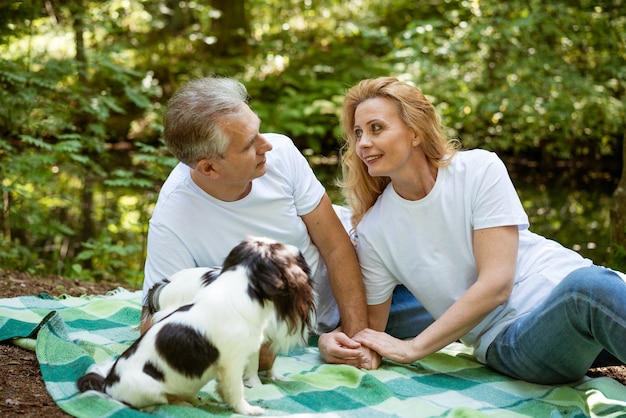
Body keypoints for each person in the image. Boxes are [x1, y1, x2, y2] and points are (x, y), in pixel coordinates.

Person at [337, 76, 626, 384]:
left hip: (589, 299)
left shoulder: (479, 169)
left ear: (415, 132)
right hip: (516, 337)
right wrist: (386, 346)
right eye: (357, 133)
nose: (362, 143)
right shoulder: (375, 231)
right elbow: (496, 287)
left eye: (376, 128)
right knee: (588, 287)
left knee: (592, 285)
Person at [140, 76, 433, 370]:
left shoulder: (281, 154)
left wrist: (357, 339)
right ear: (209, 168)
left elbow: (335, 246)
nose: (266, 145)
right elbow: (153, 322)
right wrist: (244, 349)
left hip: (367, 289)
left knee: (463, 306)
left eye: (258, 130)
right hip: (302, 334)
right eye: (248, 145)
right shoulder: (174, 215)